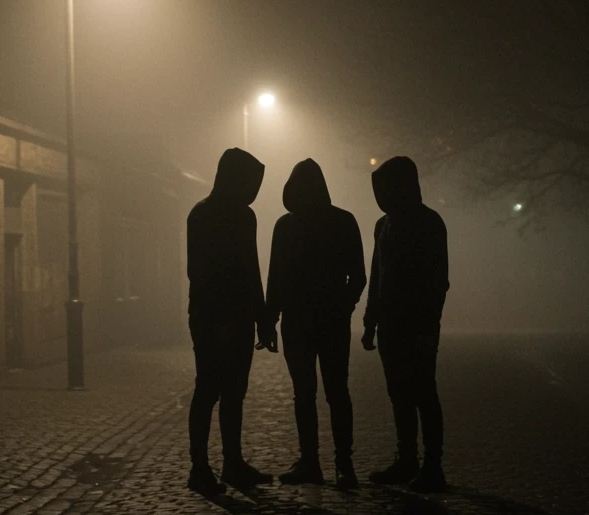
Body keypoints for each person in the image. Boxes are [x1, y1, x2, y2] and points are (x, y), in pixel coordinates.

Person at [264, 158, 367, 488]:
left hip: (297, 322)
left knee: (304, 394)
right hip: (331, 321)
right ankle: (343, 464)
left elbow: (275, 280)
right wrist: (345, 305)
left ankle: (311, 462)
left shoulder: (285, 226)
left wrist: (269, 320)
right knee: (337, 393)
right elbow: (359, 276)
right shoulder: (343, 221)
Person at [186, 147, 276, 494]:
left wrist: (260, 317)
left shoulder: (228, 215)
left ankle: (229, 463)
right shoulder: (209, 216)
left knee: (233, 391)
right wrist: (250, 314)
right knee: (210, 389)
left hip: (231, 315)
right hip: (215, 315)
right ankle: (202, 466)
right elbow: (203, 272)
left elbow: (251, 269)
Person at [361, 156, 449, 491]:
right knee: (400, 394)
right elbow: (377, 275)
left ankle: (432, 463)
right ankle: (409, 459)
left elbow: (438, 280)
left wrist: (429, 326)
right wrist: (371, 321)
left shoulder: (428, 224)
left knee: (424, 392)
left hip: (418, 323)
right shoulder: (384, 225)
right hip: (392, 324)